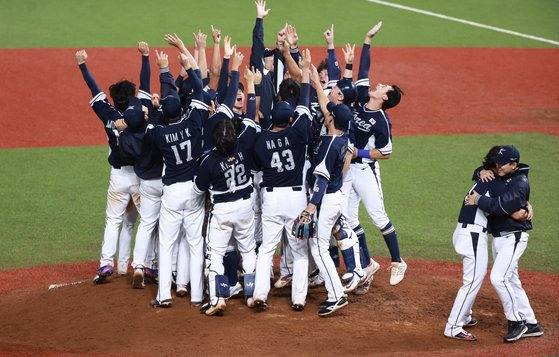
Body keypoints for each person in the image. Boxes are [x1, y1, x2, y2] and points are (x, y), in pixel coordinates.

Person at [444, 146, 531, 341]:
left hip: (466, 231)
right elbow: (515, 212)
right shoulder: (496, 182)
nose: (498, 166)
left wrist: (524, 203)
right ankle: (453, 326)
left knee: (472, 278)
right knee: (473, 280)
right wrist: (526, 208)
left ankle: (465, 316)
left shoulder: (485, 176)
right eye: (497, 162)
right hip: (473, 234)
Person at [75, 47, 145, 283]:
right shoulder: (138, 114)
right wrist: (145, 57)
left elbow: (94, 90)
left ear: (114, 99)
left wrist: (82, 65)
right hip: (139, 177)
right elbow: (143, 88)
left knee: (113, 220)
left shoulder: (107, 113)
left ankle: (107, 264)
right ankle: (136, 265)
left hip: (118, 178)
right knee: (140, 222)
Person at [195, 64, 260, 316]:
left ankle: (218, 299)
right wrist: (250, 84)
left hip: (222, 211)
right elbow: (252, 115)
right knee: (248, 250)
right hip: (245, 207)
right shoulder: (243, 145)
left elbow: (199, 187)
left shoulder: (208, 160)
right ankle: (253, 294)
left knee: (215, 254)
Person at [252, 49, 313, 311]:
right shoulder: (299, 132)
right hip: (297, 197)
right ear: (289, 119)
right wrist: (306, 72)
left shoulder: (262, 140)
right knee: (299, 252)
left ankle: (260, 295)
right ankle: (298, 298)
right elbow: (305, 104)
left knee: (267, 249)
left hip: (272, 198)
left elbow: (256, 166)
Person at [347, 22, 406, 292]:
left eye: (383, 87)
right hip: (348, 169)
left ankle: (397, 261)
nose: (378, 84)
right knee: (347, 218)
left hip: (365, 170)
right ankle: (367, 263)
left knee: (378, 217)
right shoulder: (360, 98)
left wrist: (357, 152)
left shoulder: (381, 121)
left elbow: (385, 152)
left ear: (384, 98)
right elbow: (364, 70)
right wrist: (367, 39)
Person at [146, 50, 207, 308]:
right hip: (194, 191)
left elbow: (153, 123)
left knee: (167, 243)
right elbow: (201, 94)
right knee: (195, 244)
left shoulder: (159, 133)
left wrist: (157, 107)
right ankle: (196, 296)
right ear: (182, 109)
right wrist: (189, 68)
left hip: (172, 193)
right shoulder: (193, 123)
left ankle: (164, 295)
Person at [466, 145, 544, 342]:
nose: (497, 166)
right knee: (512, 281)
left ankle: (516, 322)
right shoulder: (502, 173)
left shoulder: (520, 182)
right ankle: (532, 323)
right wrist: (481, 171)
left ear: (514, 165)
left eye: (501, 164)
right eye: (496, 162)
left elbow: (503, 206)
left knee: (498, 278)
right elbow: (481, 173)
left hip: (514, 236)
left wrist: (478, 200)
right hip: (500, 236)